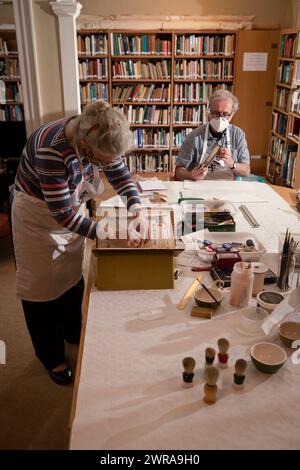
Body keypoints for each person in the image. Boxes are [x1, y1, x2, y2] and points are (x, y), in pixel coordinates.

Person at [11, 100, 146, 385]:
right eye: (99, 160)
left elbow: (119, 174)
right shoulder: (51, 148)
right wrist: (108, 234)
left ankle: (72, 330)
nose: (104, 166)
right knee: (41, 290)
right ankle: (51, 357)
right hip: (37, 215)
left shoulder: (104, 132)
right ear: (84, 146)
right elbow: (61, 213)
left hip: (68, 206)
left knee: (72, 273)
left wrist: (136, 207)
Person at [175, 89, 250, 181]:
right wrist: (191, 175)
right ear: (209, 112)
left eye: (225, 114)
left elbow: (246, 171)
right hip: (199, 186)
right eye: (216, 113)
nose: (220, 118)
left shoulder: (237, 135)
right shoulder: (194, 136)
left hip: (228, 189)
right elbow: (179, 171)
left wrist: (232, 163)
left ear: (232, 114)